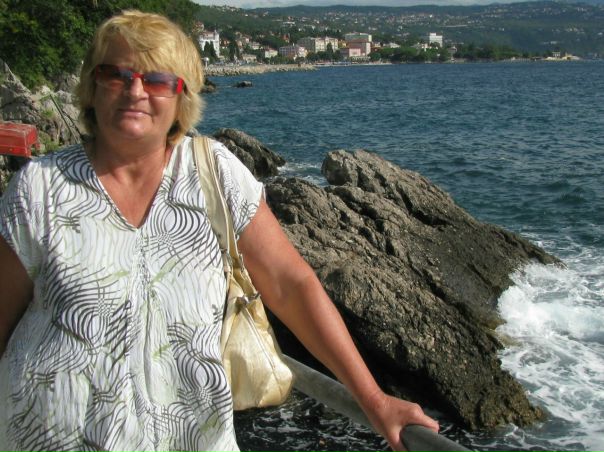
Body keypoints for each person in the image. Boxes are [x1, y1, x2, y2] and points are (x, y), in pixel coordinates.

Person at [0, 10, 438, 452]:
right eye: (116, 74)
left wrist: (374, 400)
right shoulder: (41, 188)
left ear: (181, 98)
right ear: (92, 87)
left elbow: (290, 285)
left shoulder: (213, 173)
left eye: (157, 80)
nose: (135, 91)